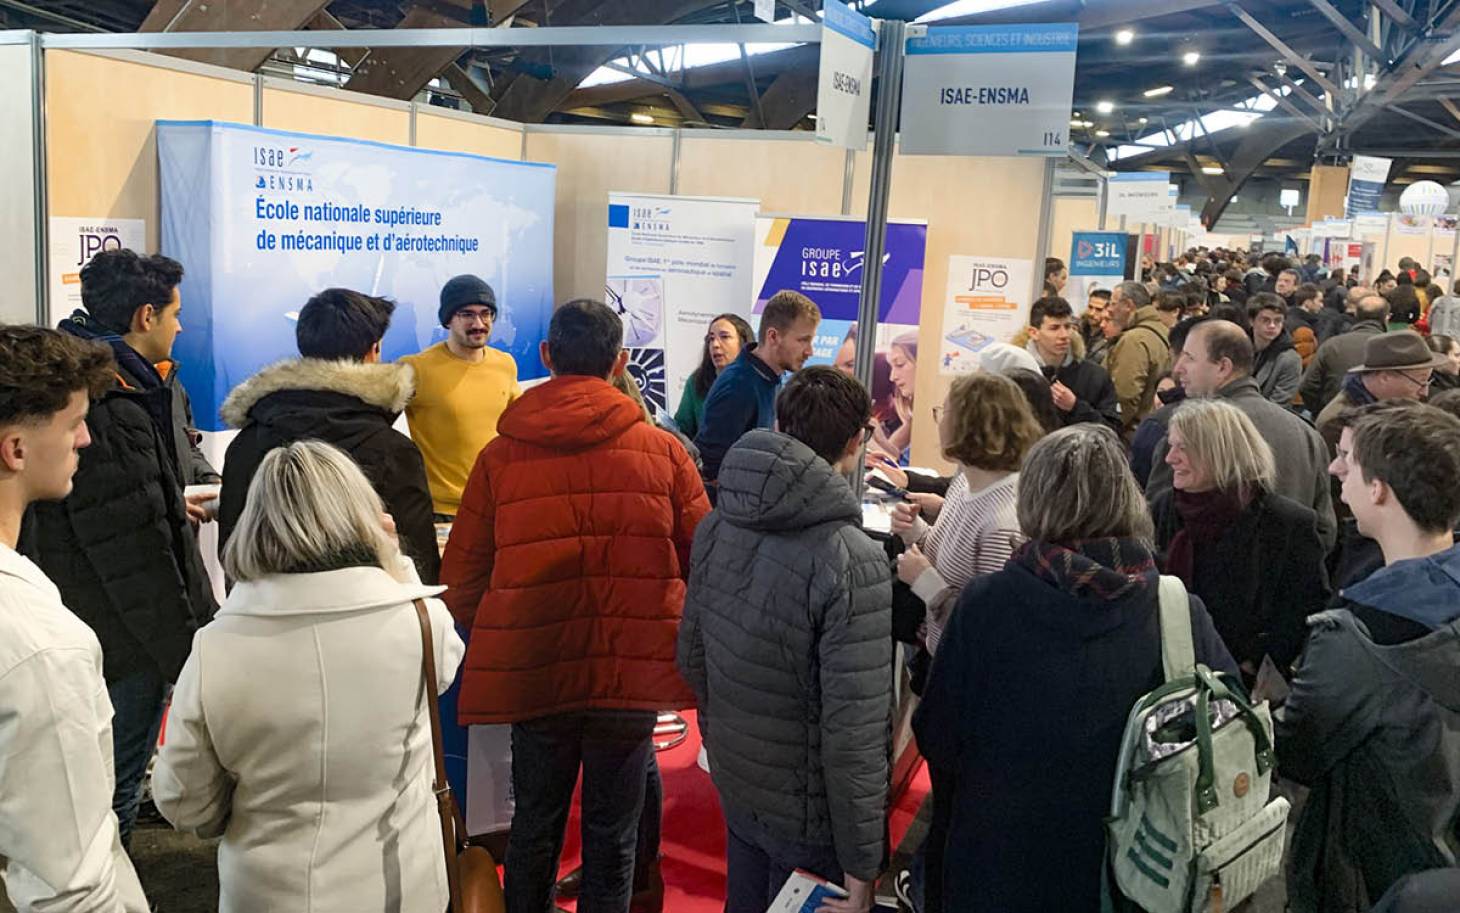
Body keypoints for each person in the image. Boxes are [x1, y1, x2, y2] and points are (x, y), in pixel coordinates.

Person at [440, 299, 710, 913]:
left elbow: (461, 580)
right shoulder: (664, 454)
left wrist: (510, 627)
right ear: (619, 362)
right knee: (613, 837)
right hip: (630, 673)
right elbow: (707, 560)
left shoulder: (499, 457)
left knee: (534, 824)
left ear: (545, 356)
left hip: (536, 669)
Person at [912, 424, 1237, 913]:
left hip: (998, 861)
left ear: (1034, 500)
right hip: (1131, 870)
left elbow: (937, 731)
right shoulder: (1175, 609)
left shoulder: (988, 605)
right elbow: (1226, 725)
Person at [153, 441, 461, 912]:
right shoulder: (424, 623)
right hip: (405, 883)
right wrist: (393, 560)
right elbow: (442, 669)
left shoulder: (216, 648)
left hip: (271, 891)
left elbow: (183, 801)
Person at [20, 249, 219, 848]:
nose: (179, 327)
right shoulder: (108, 402)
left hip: (105, 622)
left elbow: (107, 508)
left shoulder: (124, 384)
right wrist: (180, 647)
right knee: (109, 795)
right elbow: (128, 551)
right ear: (146, 313)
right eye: (175, 314)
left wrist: (160, 498)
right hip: (124, 637)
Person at [678, 366, 891, 913]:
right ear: (854, 441)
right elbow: (855, 731)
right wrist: (864, 865)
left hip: (740, 777)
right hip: (809, 808)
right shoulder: (850, 558)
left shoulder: (718, 525)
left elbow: (693, 657)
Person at [1276, 405, 1460, 913]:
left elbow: (1299, 751)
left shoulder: (1356, 636)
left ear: (1379, 489)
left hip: (1376, 870)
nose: (1335, 470)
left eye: (1347, 460)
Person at [0, 326, 150, 913]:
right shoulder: (37, 643)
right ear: (15, 449)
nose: (86, 439)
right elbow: (70, 888)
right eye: (73, 424)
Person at [888, 372, 1039, 913]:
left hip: (967, 683)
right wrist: (917, 536)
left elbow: (992, 625)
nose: (937, 416)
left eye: (944, 409)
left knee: (955, 797)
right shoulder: (965, 484)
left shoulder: (1003, 515)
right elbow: (953, 563)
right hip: (940, 660)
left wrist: (921, 579)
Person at [219, 288, 439, 584]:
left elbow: (233, 555)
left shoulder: (246, 444)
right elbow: (418, 561)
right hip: (372, 621)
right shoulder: (393, 450)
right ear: (373, 350)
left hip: (271, 621)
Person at [1150, 399, 1328, 675]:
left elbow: (1303, 609)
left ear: (1218, 452)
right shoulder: (1163, 509)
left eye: (1182, 447)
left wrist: (1257, 665)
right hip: (1169, 669)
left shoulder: (1286, 524)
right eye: (1170, 445)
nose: (1170, 458)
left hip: (1240, 680)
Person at [1148, 319, 1337, 547]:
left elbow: (1156, 520)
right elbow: (1325, 530)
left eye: (1189, 357)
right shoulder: (1306, 434)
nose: (1178, 368)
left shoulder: (1187, 431)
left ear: (1223, 367)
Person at [400, 274, 520, 519]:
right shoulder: (415, 369)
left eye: (486, 313)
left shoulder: (505, 364)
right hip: (441, 512)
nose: (479, 323)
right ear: (447, 320)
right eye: (467, 314)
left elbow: (516, 430)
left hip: (495, 503)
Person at [694, 290, 819, 492]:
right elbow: (710, 472)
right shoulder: (738, 385)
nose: (809, 351)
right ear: (773, 336)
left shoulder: (769, 377)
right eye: (803, 340)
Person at [1314, 330, 1447, 455]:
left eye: (1428, 382)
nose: (1425, 392)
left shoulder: (1400, 406)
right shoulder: (1336, 424)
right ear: (1385, 377)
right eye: (1421, 381)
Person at [1016, 296, 1119, 432]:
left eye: (1067, 326)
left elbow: (1112, 430)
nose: (1064, 335)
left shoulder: (1095, 376)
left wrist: (1075, 407)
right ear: (1034, 333)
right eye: (1054, 328)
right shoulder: (1016, 374)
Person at [1299, 293, 1390, 413]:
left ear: (1356, 315)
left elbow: (1307, 385)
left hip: (1334, 418)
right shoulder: (1393, 348)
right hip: (1377, 420)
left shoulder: (1332, 345)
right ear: (1386, 318)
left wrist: (1322, 410)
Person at [1105, 280, 1172, 437]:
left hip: (1132, 433)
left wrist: (1110, 428)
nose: (1109, 310)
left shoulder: (1134, 340)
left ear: (1128, 305)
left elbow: (1126, 395)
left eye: (1113, 304)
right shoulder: (1162, 331)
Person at [673, 313, 753, 440]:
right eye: (711, 339)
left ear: (743, 343)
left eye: (724, 337)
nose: (715, 344)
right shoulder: (696, 382)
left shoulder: (756, 382)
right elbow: (682, 429)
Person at [1248, 292, 1302, 404]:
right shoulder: (1237, 347)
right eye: (1265, 320)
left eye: (1278, 321)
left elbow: (1279, 404)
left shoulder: (1290, 359)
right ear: (1252, 321)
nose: (1272, 326)